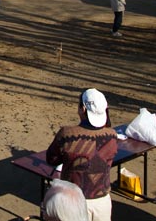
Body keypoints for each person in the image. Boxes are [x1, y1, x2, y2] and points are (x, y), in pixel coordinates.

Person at [45, 89, 118, 221]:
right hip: (102, 202)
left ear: (83, 109)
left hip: (72, 201)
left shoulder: (67, 134)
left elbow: (51, 159)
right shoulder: (112, 135)